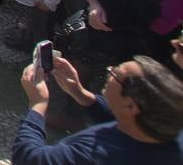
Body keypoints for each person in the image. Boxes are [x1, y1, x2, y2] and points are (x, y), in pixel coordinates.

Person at [12, 52, 183, 164]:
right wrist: (79, 92)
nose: (109, 73)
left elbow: (29, 158)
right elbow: (118, 117)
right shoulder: (170, 134)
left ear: (130, 106)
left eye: (114, 74)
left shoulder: (95, 154)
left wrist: (37, 105)